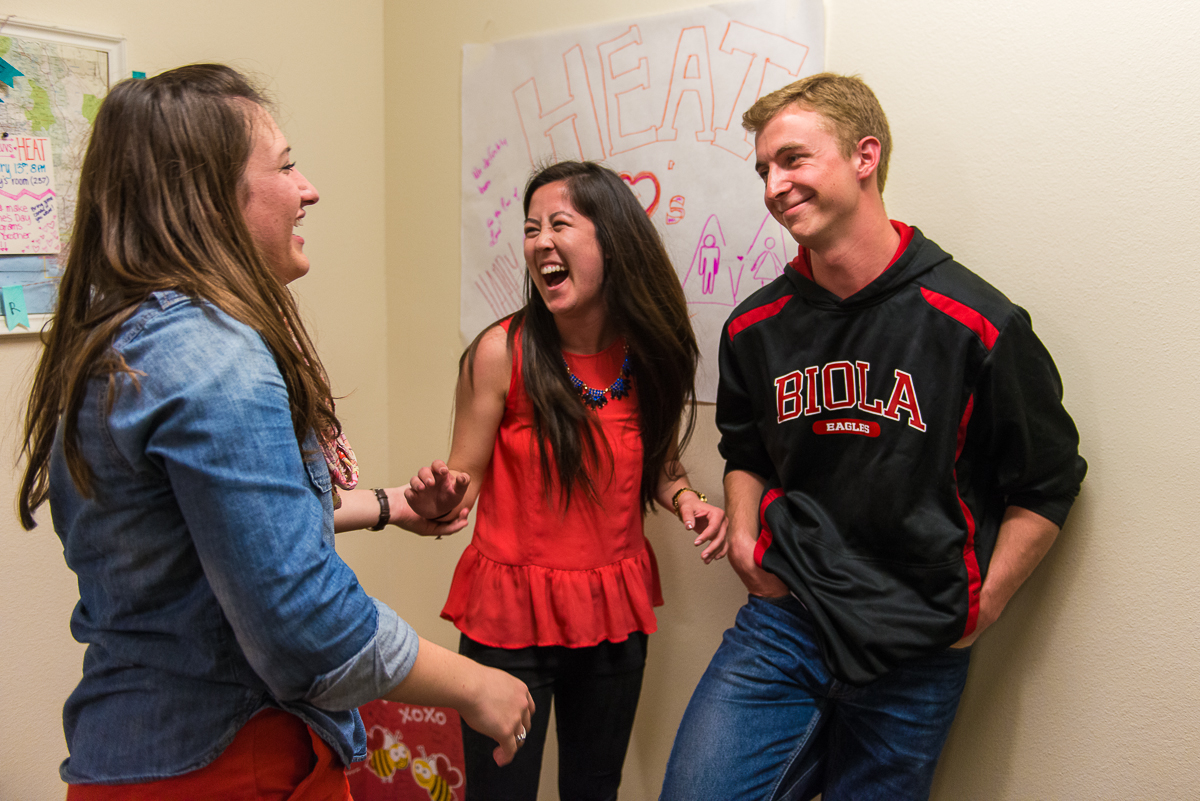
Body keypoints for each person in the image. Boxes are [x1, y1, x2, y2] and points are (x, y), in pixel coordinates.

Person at [17, 64, 533, 799]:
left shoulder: (122, 334)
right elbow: (305, 622)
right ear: (210, 196)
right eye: (286, 166)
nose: (308, 189)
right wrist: (476, 683)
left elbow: (221, 531)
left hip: (127, 756)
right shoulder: (214, 358)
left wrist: (389, 504)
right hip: (229, 765)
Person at [659, 73, 1087, 800]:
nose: (774, 184)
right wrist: (742, 537)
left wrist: (982, 608)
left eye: (793, 159)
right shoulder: (755, 327)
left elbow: (1048, 483)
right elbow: (747, 452)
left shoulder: (977, 323)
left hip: (916, 646)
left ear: (865, 156)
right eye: (764, 168)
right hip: (785, 625)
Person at [406, 160, 727, 801]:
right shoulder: (501, 352)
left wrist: (688, 499)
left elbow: (657, 459)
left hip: (612, 611)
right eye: (531, 229)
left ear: (612, 238)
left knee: (593, 789)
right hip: (509, 616)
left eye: (559, 224)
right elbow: (462, 479)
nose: (540, 243)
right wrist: (440, 498)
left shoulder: (651, 351)